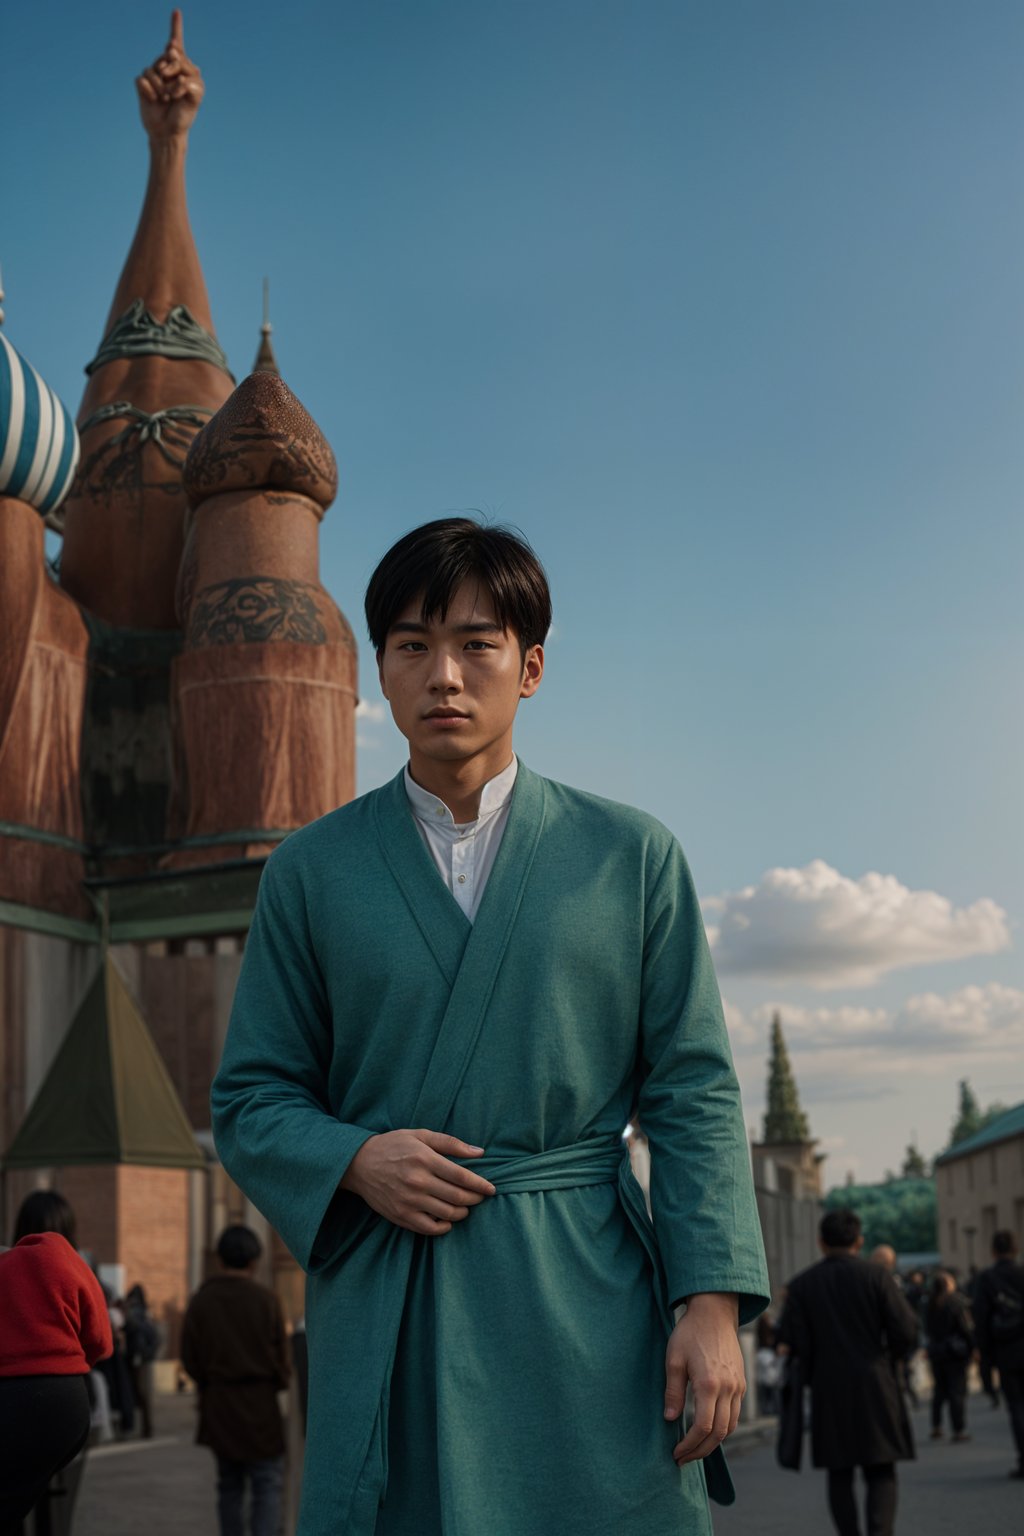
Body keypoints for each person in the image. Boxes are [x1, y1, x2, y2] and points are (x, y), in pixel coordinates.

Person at [211, 518, 770, 1536]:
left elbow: (692, 1090)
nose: (446, 677)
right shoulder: (310, 871)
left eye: (478, 644)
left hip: (587, 1289)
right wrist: (353, 1158)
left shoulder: (629, 855)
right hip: (391, 1289)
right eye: (413, 645)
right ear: (377, 668)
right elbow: (250, 1096)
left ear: (532, 667)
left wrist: (712, 1306)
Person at [777, 1208, 918, 1536]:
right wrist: (888, 1358)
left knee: (838, 1472)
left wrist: (812, 1373)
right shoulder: (878, 1277)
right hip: (876, 1381)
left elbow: (797, 1343)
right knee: (881, 1468)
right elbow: (907, 1329)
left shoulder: (802, 1285)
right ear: (859, 1241)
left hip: (828, 1386)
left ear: (821, 1243)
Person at [0, 1191, 113, 1535]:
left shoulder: (3, 1265)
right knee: (52, 1498)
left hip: (8, 1398)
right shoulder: (74, 1264)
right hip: (68, 1402)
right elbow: (101, 1343)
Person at [181, 1225, 290, 1536]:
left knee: (228, 1485)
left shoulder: (201, 1301)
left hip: (219, 1404)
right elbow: (282, 1360)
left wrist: (208, 1382)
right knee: (267, 1483)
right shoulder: (267, 1300)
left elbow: (190, 1357)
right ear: (254, 1261)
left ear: (220, 1260)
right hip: (260, 1406)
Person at [972, 1229, 1024, 1480]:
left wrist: (984, 1354)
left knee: (1016, 1407)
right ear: (1016, 1249)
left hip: (1007, 1351)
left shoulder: (987, 1279)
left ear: (993, 1251)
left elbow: (981, 1320)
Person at [924, 1271, 974, 1442]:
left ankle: (936, 1425)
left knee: (939, 1390)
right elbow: (965, 1329)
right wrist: (973, 1347)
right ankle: (958, 1429)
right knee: (956, 1392)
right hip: (954, 1352)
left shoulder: (930, 1304)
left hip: (936, 1352)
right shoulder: (955, 1303)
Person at [124, 1284, 159, 1439]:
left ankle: (143, 1429)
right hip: (144, 1357)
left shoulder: (134, 1313)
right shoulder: (146, 1314)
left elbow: (133, 1329)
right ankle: (146, 1428)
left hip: (138, 1357)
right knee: (143, 1394)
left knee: (139, 1392)